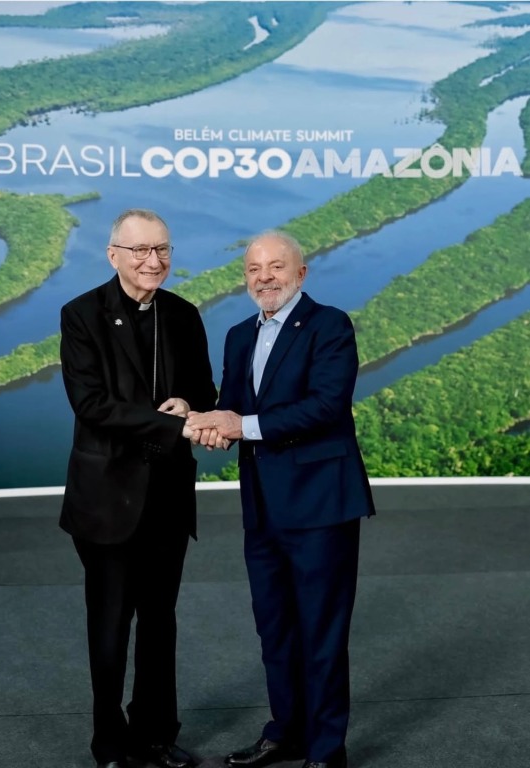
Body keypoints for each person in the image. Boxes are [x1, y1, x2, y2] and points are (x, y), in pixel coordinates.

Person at [186, 231, 375, 768]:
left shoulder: (329, 325)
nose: (263, 277)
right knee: (274, 628)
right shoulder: (238, 336)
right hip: (264, 509)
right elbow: (232, 410)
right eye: (253, 269)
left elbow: (324, 407)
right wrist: (199, 418)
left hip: (321, 508)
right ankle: (285, 732)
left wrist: (237, 424)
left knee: (320, 631)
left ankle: (324, 750)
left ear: (301, 273)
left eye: (275, 266)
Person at [59, 208, 217, 768]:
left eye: (163, 250)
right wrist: (173, 424)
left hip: (168, 494)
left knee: (159, 620)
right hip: (108, 499)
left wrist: (190, 405)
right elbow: (92, 405)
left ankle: (155, 733)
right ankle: (109, 742)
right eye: (141, 251)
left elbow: (203, 385)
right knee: (109, 625)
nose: (154, 261)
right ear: (114, 256)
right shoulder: (82, 315)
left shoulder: (184, 313)